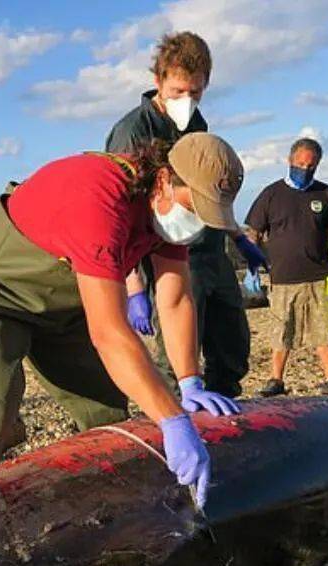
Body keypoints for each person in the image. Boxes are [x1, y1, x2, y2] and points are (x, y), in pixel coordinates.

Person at [0, 133, 246, 509]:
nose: (195, 222)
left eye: (206, 215)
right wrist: (173, 419)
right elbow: (109, 334)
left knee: (106, 413)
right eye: (193, 207)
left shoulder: (162, 214)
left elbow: (177, 297)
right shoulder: (100, 198)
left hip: (64, 309)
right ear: (165, 178)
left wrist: (189, 382)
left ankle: (116, 510)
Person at [105, 32, 267, 399]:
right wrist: (134, 289)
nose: (187, 100)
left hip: (211, 247)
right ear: (158, 81)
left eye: (195, 92)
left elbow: (210, 188)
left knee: (231, 346)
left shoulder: (197, 125)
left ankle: (225, 410)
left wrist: (238, 237)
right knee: (180, 354)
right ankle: (177, 419)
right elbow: (122, 212)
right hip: (168, 254)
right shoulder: (134, 132)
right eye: (178, 91)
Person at [244, 137, 328, 397]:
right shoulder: (271, 194)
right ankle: (276, 380)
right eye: (300, 164)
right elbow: (253, 233)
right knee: (282, 331)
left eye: (311, 166)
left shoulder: (325, 193)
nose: (305, 169)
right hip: (284, 277)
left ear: (317, 165)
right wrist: (251, 268)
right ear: (290, 160)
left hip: (321, 275)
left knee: (327, 330)